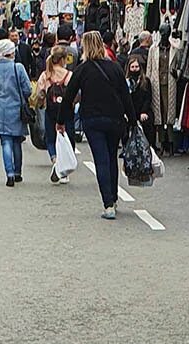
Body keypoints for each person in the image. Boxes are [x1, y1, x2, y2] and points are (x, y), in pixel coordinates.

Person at [57, 31, 135, 219]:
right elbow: (125, 95)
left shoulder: (82, 70)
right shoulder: (115, 68)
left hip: (92, 119)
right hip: (115, 118)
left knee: (101, 160)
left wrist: (60, 121)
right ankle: (114, 198)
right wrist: (132, 120)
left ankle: (108, 204)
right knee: (111, 158)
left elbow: (68, 97)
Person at [0, 38, 32, 187]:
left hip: (0, 108)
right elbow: (27, 89)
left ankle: (9, 174)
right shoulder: (18, 67)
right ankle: (18, 172)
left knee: (5, 141)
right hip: (16, 108)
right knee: (16, 141)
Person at [37, 46, 74, 184]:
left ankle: (55, 160)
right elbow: (75, 94)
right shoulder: (68, 75)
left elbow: (40, 93)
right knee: (67, 137)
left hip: (50, 110)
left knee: (51, 138)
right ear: (64, 59)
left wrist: (41, 103)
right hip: (66, 110)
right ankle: (63, 167)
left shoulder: (46, 74)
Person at [126, 54, 155, 148]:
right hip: (131, 111)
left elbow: (148, 98)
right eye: (132, 67)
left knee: (147, 122)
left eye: (136, 67)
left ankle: (149, 146)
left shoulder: (146, 81)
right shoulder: (126, 82)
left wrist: (143, 111)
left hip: (143, 110)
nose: (134, 69)